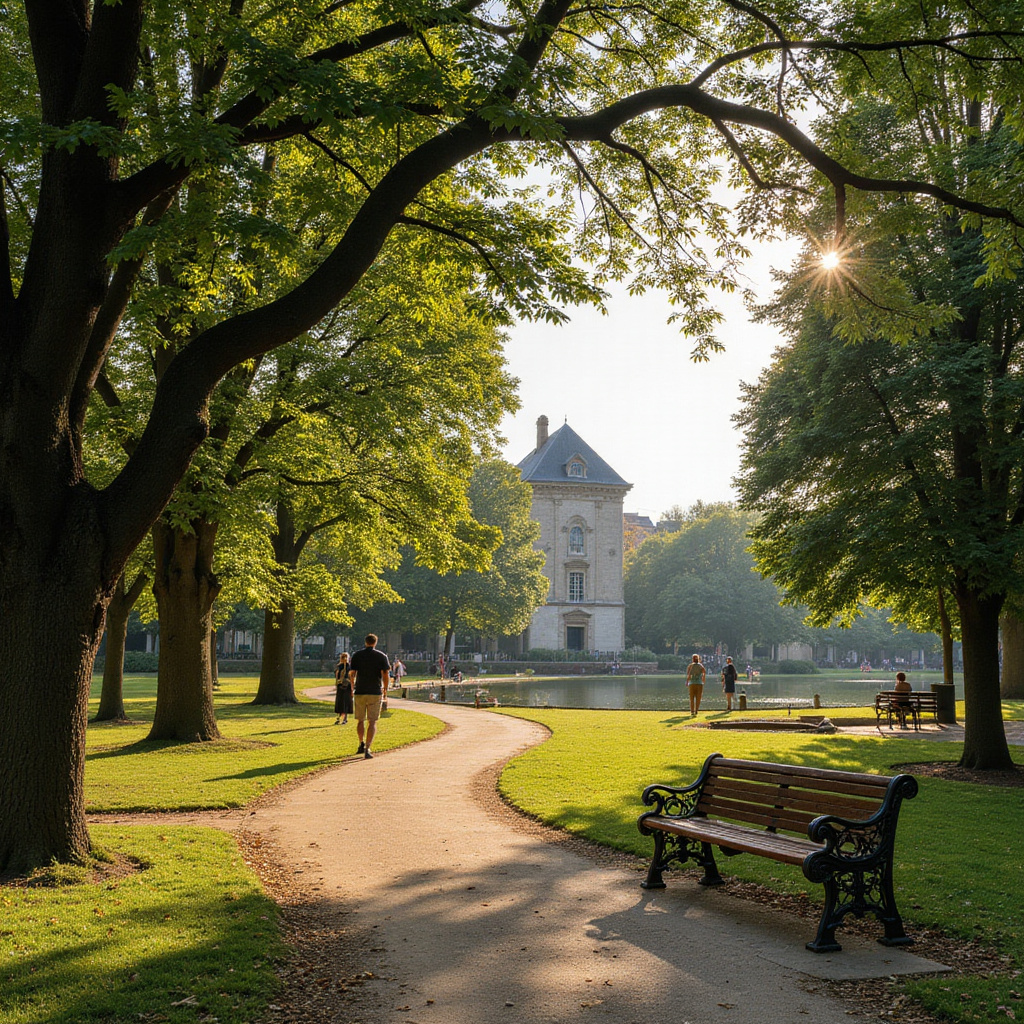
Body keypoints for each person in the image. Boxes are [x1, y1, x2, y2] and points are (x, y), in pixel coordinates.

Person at [349, 633, 390, 759]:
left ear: (365, 642)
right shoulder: (381, 656)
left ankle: (360, 743)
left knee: (360, 720)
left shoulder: (357, 655)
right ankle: (367, 747)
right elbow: (385, 674)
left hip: (360, 691)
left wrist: (352, 687)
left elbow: (352, 673)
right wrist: (385, 689)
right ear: (375, 643)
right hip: (374, 691)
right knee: (372, 721)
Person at [333, 652, 353, 725]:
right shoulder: (339, 667)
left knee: (345, 702)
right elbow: (337, 676)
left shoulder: (349, 667)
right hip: (341, 685)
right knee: (340, 702)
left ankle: (344, 718)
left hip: (346, 686)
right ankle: (339, 717)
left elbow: (351, 677)